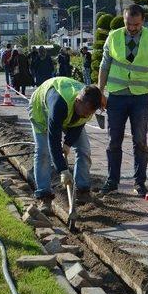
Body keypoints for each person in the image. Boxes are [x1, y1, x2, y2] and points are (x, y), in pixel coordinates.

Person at [98, 4, 148, 197]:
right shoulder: (113, 36)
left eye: (136, 24)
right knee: (113, 141)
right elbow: (104, 65)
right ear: (124, 19)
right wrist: (100, 91)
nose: (132, 27)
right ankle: (112, 181)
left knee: (140, 141)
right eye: (128, 23)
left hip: (141, 97)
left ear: (143, 21)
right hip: (117, 96)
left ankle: (140, 182)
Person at [28, 77, 102, 213]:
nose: (87, 115)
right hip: (42, 112)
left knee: (84, 148)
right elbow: (54, 140)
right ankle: (44, 196)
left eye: (90, 113)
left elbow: (79, 124)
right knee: (43, 152)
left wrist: (68, 144)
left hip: (68, 115)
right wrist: (63, 170)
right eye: (86, 112)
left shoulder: (88, 107)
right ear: (78, 101)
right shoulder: (59, 104)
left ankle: (82, 191)